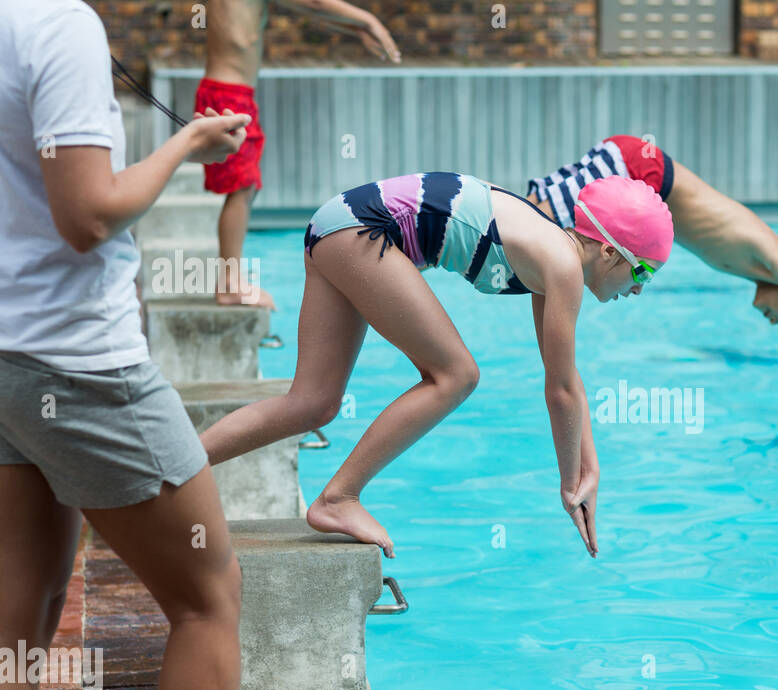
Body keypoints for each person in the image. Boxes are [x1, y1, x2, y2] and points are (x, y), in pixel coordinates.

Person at [0, 0, 251, 690]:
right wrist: (186, 143)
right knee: (207, 598)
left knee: (16, 643)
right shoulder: (55, 23)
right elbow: (88, 214)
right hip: (78, 363)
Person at [199, 173, 673, 559]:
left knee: (312, 404)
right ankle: (337, 498)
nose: (638, 290)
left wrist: (589, 471)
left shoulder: (552, 256)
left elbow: (566, 378)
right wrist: (571, 483)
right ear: (610, 252)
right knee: (457, 375)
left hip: (341, 224)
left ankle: (171, 471)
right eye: (642, 273)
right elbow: (560, 393)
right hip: (362, 230)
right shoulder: (564, 267)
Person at [528, 135, 778, 424]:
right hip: (642, 172)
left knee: (529, 224)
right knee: (534, 227)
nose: (774, 322)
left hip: (641, 171)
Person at [197, 0, 401, 307]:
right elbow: (314, 3)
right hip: (228, 96)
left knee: (246, 188)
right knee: (243, 187)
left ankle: (230, 280)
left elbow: (308, 7)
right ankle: (230, 284)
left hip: (234, 94)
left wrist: (356, 30)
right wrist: (369, 19)